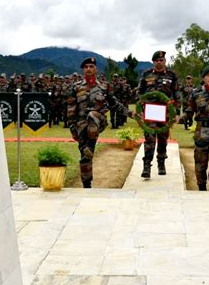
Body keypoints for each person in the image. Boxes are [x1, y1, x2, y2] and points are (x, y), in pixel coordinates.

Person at [67, 57, 135, 188]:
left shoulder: (104, 86)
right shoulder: (75, 87)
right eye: (86, 67)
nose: (88, 69)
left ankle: (88, 146)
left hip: (99, 121)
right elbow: (71, 109)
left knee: (92, 115)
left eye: (91, 66)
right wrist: (72, 128)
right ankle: (86, 183)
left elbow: (115, 105)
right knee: (85, 154)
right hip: (81, 124)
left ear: (96, 69)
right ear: (83, 70)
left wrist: (130, 114)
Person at [136, 50, 181, 178]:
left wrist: (177, 112)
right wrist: (141, 104)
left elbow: (177, 94)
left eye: (161, 60)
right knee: (149, 137)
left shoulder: (172, 75)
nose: (159, 62)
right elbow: (139, 92)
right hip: (150, 111)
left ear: (165, 61)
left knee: (162, 138)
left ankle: (161, 163)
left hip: (165, 112)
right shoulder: (146, 74)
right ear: (153, 62)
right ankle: (147, 165)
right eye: (157, 60)